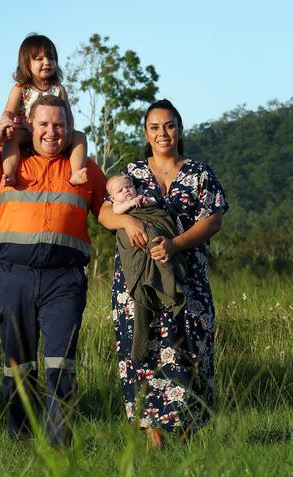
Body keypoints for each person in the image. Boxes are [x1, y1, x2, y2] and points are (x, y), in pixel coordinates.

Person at [0, 95, 107, 445]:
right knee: (17, 368)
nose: (52, 132)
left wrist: (133, 220)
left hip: (64, 281)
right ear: (30, 127)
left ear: (70, 128)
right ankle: (20, 440)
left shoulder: (86, 170)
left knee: (61, 367)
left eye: (60, 125)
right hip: (13, 277)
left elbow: (107, 213)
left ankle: (58, 448)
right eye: (45, 124)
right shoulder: (8, 164)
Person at [98, 99, 228, 448]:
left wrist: (175, 244)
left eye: (169, 125)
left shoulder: (199, 172)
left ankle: (185, 434)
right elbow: (104, 214)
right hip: (137, 279)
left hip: (187, 276)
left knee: (189, 348)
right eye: (154, 127)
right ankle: (154, 436)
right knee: (143, 350)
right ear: (146, 133)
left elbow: (213, 220)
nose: (162, 133)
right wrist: (128, 219)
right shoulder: (132, 173)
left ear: (179, 129)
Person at [106, 173, 187, 363]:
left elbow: (155, 205)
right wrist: (132, 205)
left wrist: (144, 200)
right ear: (112, 198)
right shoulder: (118, 206)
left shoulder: (142, 197)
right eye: (120, 190)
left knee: (154, 235)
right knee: (141, 289)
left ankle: (168, 279)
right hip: (135, 244)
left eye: (129, 187)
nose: (126, 191)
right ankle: (140, 342)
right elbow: (117, 212)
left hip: (155, 231)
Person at [1, 33, 88, 187]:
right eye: (39, 59)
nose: (47, 62)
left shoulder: (59, 89)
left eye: (51, 58)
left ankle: (76, 172)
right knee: (10, 139)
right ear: (26, 63)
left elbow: (67, 115)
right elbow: (9, 111)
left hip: (53, 134)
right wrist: (6, 124)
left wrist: (69, 131)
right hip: (26, 132)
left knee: (80, 137)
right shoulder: (21, 89)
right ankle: (9, 173)